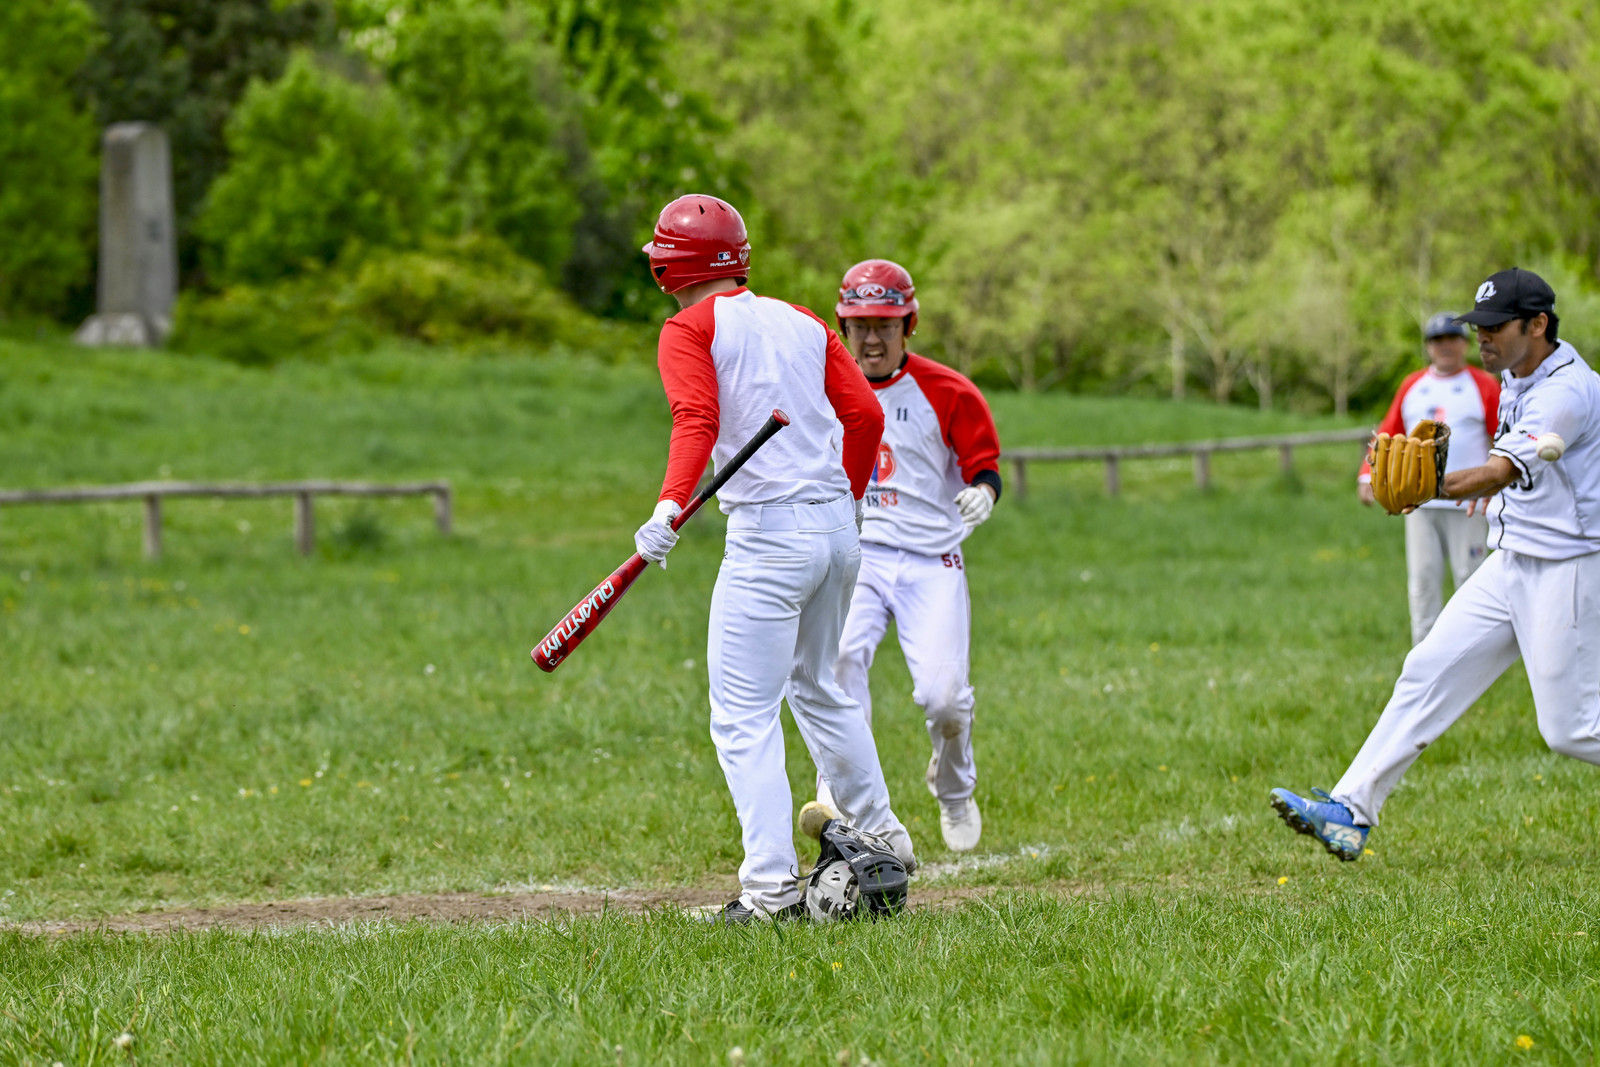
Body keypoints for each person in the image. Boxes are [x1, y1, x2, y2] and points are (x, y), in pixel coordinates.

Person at [635, 195, 917, 921]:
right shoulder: (802, 319)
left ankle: (768, 891)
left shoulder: (687, 328)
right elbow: (866, 415)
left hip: (768, 538)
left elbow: (696, 418)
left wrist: (669, 505)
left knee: (743, 717)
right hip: (837, 530)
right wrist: (845, 500)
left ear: (671, 267)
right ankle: (884, 835)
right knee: (819, 686)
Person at [1271, 268, 1600, 860]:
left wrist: (1433, 485)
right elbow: (1519, 472)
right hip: (1511, 560)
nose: (1482, 336)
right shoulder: (1517, 375)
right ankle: (1349, 811)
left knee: (1570, 730)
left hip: (1566, 567)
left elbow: (1501, 468)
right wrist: (1495, 491)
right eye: (1479, 326)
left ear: (1538, 324)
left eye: (1496, 326)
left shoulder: (1566, 392)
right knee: (1427, 666)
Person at [801, 259, 1002, 852]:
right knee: (836, 665)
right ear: (842, 325)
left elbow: (984, 465)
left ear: (907, 325)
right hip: (855, 552)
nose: (871, 339)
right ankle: (838, 793)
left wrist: (983, 493)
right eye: (860, 325)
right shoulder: (819, 388)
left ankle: (954, 787)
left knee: (945, 700)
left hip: (930, 559)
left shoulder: (948, 390)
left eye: (884, 325)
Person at [1359, 313, 1500, 644]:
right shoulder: (1413, 385)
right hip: (1419, 502)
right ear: (1429, 346)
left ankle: (1472, 651)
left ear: (1464, 343)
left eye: (1452, 338)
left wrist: (1497, 485)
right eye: (1437, 340)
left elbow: (1501, 438)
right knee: (1423, 580)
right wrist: (1367, 475)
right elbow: (1387, 433)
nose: (1445, 346)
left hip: (1468, 501)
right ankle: (1424, 652)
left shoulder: (1483, 384)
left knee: (1470, 580)